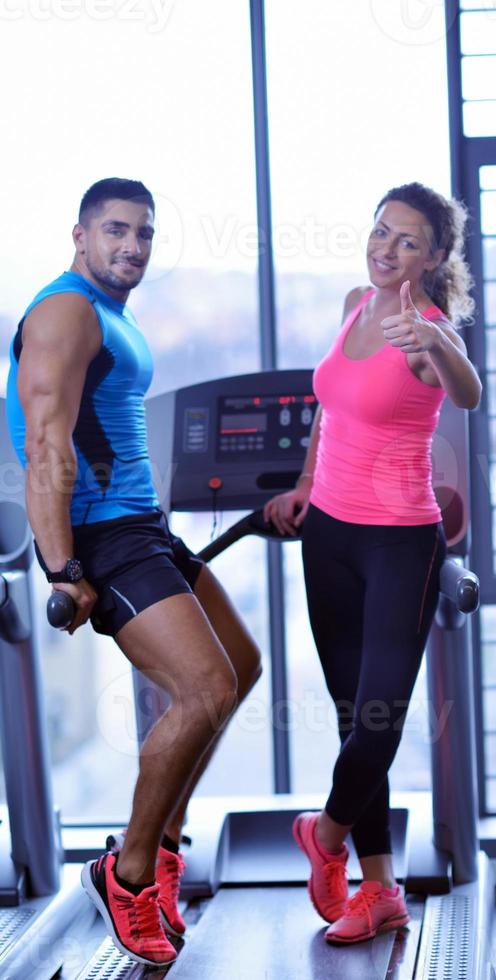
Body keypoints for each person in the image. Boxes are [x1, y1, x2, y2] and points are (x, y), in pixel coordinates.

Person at [6, 178, 261, 967]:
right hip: (103, 536)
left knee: (240, 666)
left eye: (144, 234)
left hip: (142, 525)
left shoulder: (111, 313)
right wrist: (62, 567)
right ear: (80, 235)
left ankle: (165, 842)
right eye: (116, 230)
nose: (133, 247)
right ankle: (127, 872)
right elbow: (45, 444)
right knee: (204, 690)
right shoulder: (65, 312)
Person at [264, 182, 481, 945]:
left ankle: (323, 836)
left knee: (380, 715)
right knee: (356, 713)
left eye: (408, 241)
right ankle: (380, 890)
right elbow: (330, 406)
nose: (387, 249)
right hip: (328, 533)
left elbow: (470, 392)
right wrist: (303, 482)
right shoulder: (358, 301)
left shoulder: (427, 332)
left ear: (434, 257)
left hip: (399, 540)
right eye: (382, 231)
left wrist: (441, 346)